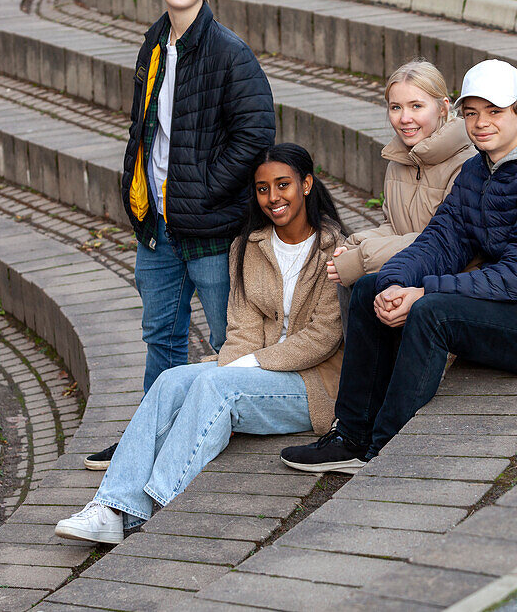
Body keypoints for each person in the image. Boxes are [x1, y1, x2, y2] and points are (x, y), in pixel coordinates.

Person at [280, 59, 517, 473]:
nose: (481, 123)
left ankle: (383, 450)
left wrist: (423, 292)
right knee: (368, 290)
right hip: (516, 310)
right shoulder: (479, 171)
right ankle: (351, 434)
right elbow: (441, 240)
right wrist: (394, 283)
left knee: (432, 311)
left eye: (495, 112)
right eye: (472, 112)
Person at [56, 144, 346, 544]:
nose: (273, 198)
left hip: (311, 384)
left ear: (307, 184)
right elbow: (241, 327)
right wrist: (234, 365)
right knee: (172, 381)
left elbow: (324, 337)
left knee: (215, 386)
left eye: (283, 185)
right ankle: (110, 505)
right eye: (263, 189)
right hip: (251, 370)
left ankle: (150, 508)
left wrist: (243, 368)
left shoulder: (336, 247)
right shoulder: (248, 246)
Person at [85, 0, 275, 471]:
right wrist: (138, 189)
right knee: (161, 336)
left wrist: (206, 189)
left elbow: (256, 135)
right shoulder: (154, 42)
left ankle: (228, 434)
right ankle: (150, 436)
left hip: (212, 226)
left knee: (227, 335)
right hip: (159, 225)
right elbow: (144, 128)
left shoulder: (230, 53)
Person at [327, 60, 475, 320]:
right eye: (396, 107)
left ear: (442, 108)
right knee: (355, 281)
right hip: (408, 267)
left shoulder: (466, 163)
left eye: (416, 106)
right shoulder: (400, 159)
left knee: (364, 286)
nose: (404, 118)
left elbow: (439, 241)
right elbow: (395, 227)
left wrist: (362, 257)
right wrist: (354, 244)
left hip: (450, 278)